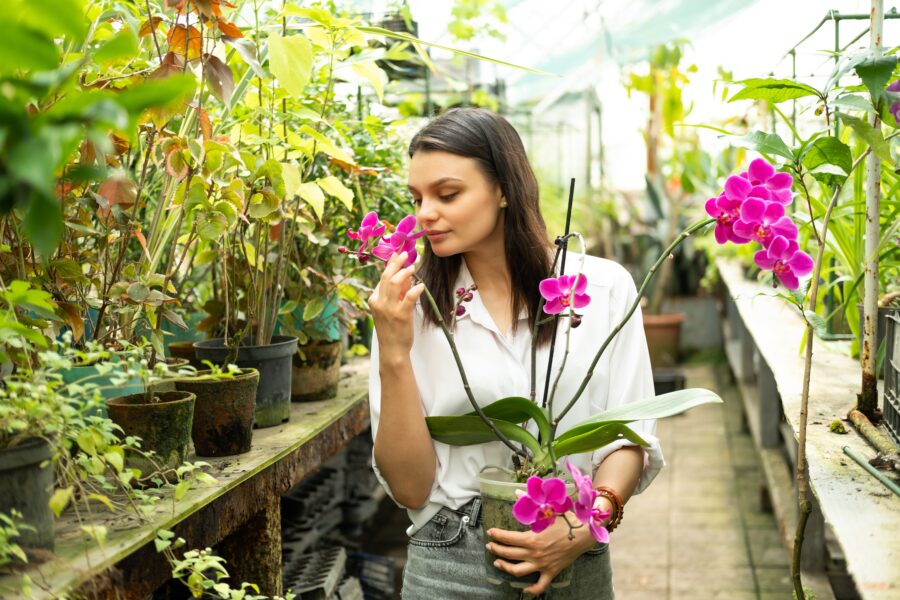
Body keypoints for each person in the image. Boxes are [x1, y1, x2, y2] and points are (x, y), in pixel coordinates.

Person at [367, 107, 664, 599]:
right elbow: (410, 489)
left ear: (504, 189)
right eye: (416, 198)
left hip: (573, 552)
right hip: (450, 562)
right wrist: (394, 354)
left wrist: (589, 522)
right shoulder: (411, 308)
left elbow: (629, 436)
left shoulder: (603, 288)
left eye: (447, 194)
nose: (423, 215)